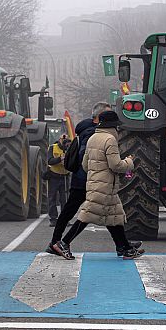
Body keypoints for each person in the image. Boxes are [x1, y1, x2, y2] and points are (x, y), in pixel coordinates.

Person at [52, 110, 144, 260]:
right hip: (105, 185)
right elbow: (116, 166)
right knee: (87, 215)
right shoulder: (110, 140)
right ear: (113, 126)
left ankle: (125, 247)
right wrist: (129, 162)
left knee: (115, 215)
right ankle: (64, 243)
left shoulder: (93, 138)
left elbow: (85, 164)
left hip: (95, 182)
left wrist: (97, 170)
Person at [46, 102, 109, 255]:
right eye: (108, 115)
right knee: (90, 211)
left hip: (84, 179)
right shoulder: (91, 133)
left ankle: (124, 245)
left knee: (108, 210)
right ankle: (60, 242)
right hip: (86, 179)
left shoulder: (88, 131)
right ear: (99, 118)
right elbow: (85, 157)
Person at [45, 134, 71, 226]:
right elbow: (50, 161)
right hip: (54, 177)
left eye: (67, 141)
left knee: (65, 199)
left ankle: (64, 219)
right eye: (64, 141)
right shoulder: (52, 147)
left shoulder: (69, 148)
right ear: (60, 140)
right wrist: (60, 159)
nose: (66, 143)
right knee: (52, 198)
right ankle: (53, 219)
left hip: (64, 177)